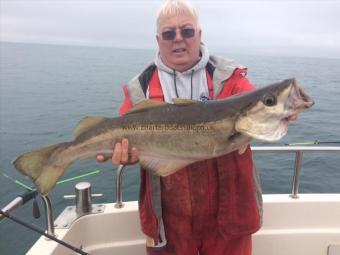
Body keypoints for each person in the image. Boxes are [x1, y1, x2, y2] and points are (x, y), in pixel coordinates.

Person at [97, 0, 296, 254]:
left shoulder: (228, 76)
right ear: (158, 40)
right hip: (169, 218)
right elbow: (126, 137)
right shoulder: (140, 88)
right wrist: (125, 155)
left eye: (187, 31)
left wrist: (280, 111)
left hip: (229, 213)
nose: (178, 39)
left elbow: (255, 105)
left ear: (199, 35)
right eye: (169, 34)